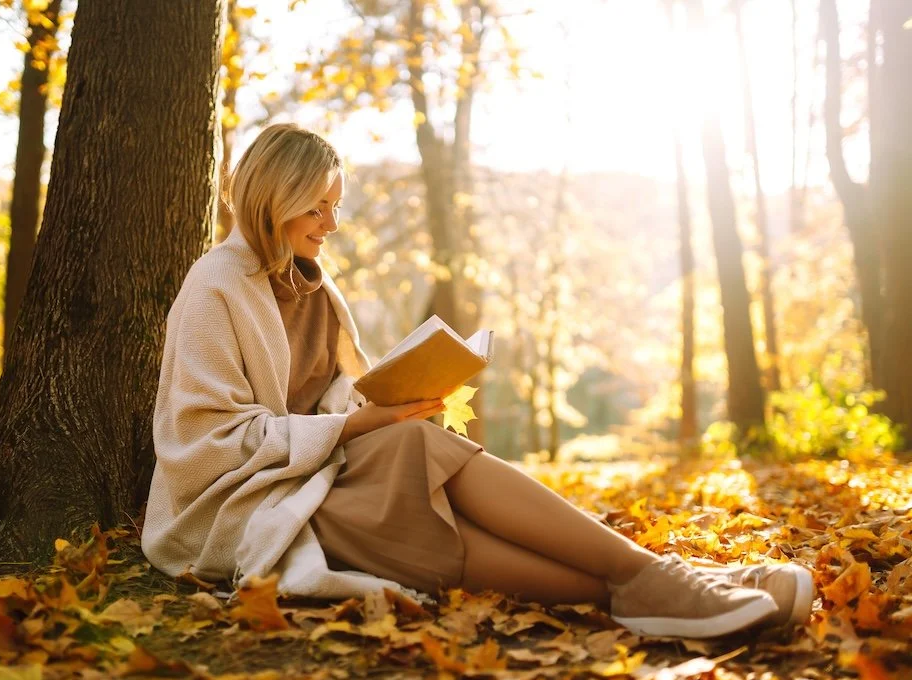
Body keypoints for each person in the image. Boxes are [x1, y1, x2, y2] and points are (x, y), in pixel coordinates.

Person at [141, 123, 813, 639]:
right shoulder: (215, 288)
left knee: (423, 448)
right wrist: (353, 424)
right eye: (317, 208)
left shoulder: (316, 289)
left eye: (333, 206)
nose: (332, 225)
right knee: (420, 506)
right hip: (251, 505)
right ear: (273, 199)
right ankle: (655, 585)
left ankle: (669, 581)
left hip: (322, 472)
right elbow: (204, 444)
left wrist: (392, 400)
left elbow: (343, 395)